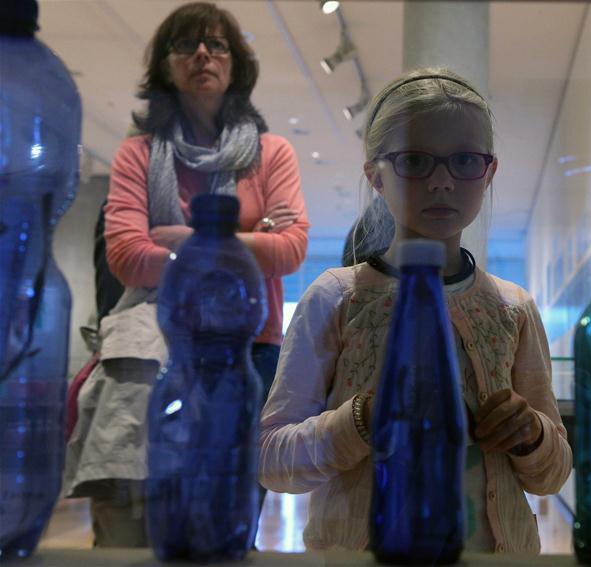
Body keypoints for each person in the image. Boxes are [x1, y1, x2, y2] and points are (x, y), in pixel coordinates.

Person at [259, 68, 571, 553]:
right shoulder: (337, 297)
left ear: (488, 172)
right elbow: (273, 459)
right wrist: (361, 419)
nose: (442, 182)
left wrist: (529, 433)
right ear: (376, 176)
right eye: (415, 161)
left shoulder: (513, 307)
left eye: (465, 160)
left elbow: (552, 474)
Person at [63, 2, 309, 547]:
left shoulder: (271, 154)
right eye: (186, 45)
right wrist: (244, 245)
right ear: (165, 66)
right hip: (156, 345)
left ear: (235, 63)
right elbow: (126, 254)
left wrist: (180, 242)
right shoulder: (137, 154)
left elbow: (291, 249)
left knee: (226, 510)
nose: (202, 54)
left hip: (249, 351)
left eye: (216, 44)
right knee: (148, 512)